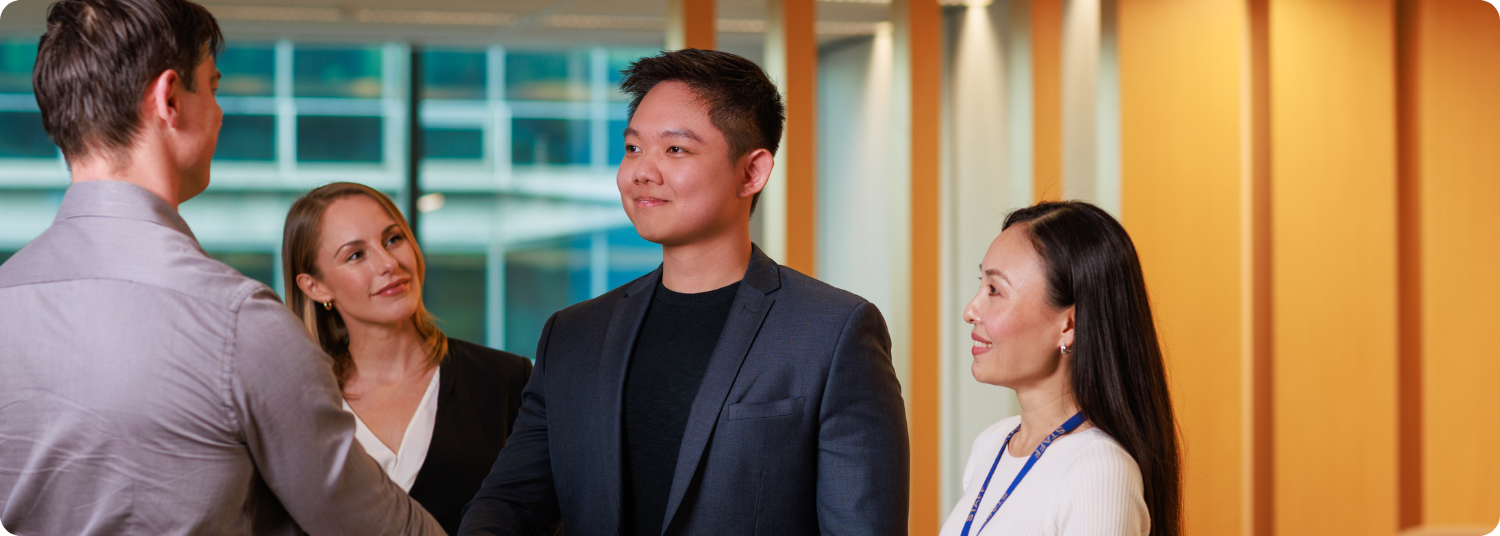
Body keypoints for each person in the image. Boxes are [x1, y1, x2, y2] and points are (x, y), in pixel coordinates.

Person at [0, 1, 443, 534]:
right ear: (169, 99)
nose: (218, 112)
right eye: (211, 87)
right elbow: (373, 526)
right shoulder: (237, 323)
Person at [459, 48, 910, 536]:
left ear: (752, 172)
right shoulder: (572, 335)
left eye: (675, 150)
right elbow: (508, 504)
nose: (642, 172)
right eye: (633, 148)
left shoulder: (832, 332)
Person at [282, 182, 532, 535]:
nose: (389, 263)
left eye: (393, 239)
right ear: (315, 287)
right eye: (356, 255)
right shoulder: (298, 408)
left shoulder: (505, 379)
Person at [940, 201, 1181, 536]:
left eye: (994, 290)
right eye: (981, 283)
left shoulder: (1097, 470)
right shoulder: (991, 444)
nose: (970, 310)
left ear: (1069, 324)